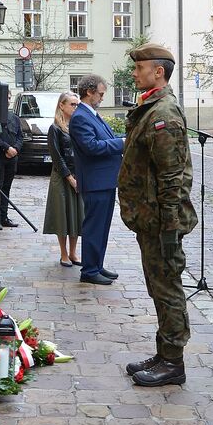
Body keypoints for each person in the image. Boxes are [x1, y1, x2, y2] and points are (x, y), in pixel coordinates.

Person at [117, 43, 197, 386]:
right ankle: (164, 353)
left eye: (139, 68)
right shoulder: (151, 107)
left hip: (162, 221)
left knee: (167, 289)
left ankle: (173, 362)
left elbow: (172, 176)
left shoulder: (164, 113)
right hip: (150, 218)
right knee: (158, 286)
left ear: (158, 72)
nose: (134, 73)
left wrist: (169, 228)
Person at [70, 74, 125, 285]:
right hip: (95, 181)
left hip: (105, 180)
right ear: (89, 91)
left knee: (102, 227)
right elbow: (91, 147)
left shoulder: (92, 114)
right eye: (100, 94)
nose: (102, 98)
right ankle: (90, 270)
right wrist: (122, 143)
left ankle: (97, 265)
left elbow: (106, 139)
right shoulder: (81, 116)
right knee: (94, 227)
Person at [43, 92, 84, 266]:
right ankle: (64, 253)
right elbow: (57, 157)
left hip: (78, 174)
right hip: (61, 177)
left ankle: (73, 253)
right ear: (62, 105)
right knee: (62, 216)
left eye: (77, 104)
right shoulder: (55, 128)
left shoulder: (77, 126)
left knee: (76, 215)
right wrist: (70, 178)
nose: (76, 107)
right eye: (72, 104)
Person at [0, 99, 23, 230]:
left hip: (12, 158)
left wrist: (15, 149)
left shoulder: (15, 118)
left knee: (6, 188)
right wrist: (6, 148)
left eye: (9, 98)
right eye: (6, 97)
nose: (7, 100)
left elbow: (20, 136)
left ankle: (4, 217)